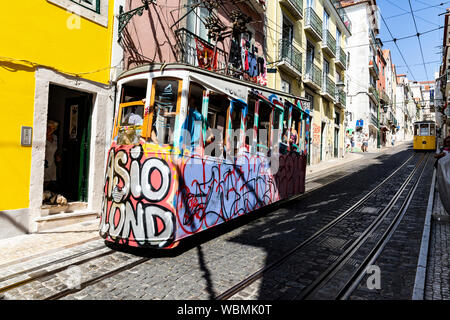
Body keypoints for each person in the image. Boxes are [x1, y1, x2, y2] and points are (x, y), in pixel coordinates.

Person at [435, 136, 450, 214]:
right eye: (447, 142)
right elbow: (435, 156)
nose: (449, 143)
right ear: (445, 142)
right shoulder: (441, 149)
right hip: (442, 171)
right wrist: (442, 155)